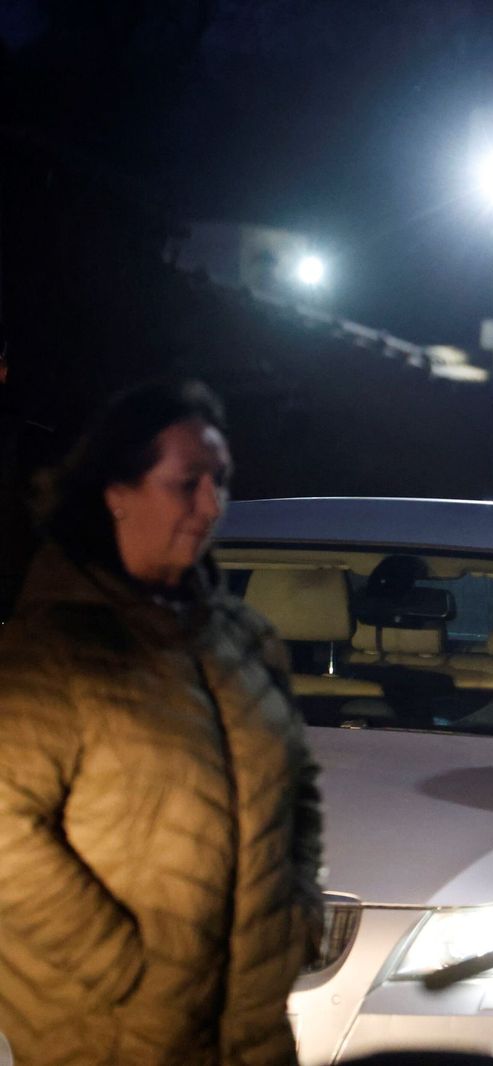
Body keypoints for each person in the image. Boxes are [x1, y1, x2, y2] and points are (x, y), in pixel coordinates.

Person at [0, 379, 324, 1066]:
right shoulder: (52, 650)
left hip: (253, 1034)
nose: (211, 506)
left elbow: (299, 788)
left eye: (221, 482)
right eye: (187, 484)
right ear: (116, 492)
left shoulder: (241, 637)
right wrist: (129, 970)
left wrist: (297, 913)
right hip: (114, 1037)